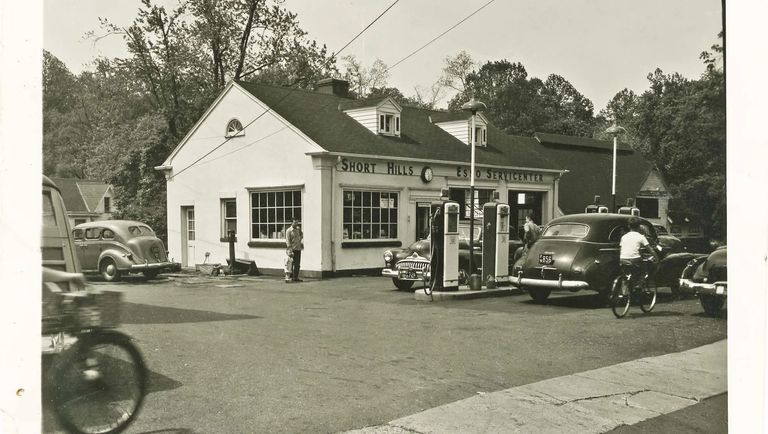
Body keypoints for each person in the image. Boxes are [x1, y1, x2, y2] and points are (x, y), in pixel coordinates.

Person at [619, 218, 659, 294]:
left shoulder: (623, 237)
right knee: (643, 271)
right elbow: (650, 249)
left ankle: (624, 292)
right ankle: (638, 285)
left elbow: (621, 249)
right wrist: (656, 258)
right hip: (635, 260)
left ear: (629, 226)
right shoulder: (641, 237)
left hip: (623, 259)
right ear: (638, 227)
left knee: (625, 275)